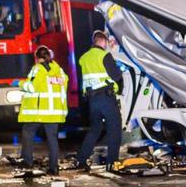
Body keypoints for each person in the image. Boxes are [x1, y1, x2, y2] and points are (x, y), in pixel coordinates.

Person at [76, 31, 123, 170]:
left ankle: (81, 159)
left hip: (92, 100)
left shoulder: (84, 58)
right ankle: (112, 163)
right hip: (106, 98)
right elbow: (116, 75)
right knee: (114, 130)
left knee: (95, 130)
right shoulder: (104, 55)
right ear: (103, 42)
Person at [18, 46, 68, 175]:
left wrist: (20, 84)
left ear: (37, 58)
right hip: (56, 112)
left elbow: (32, 87)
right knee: (52, 138)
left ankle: (27, 161)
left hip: (40, 112)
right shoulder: (60, 71)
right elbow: (63, 87)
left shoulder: (37, 69)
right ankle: (53, 167)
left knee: (28, 131)